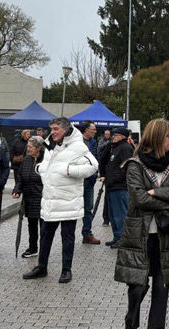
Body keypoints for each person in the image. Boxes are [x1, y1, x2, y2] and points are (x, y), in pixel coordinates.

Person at [114, 119, 169, 329]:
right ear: (157, 137)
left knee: (162, 286)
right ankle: (131, 317)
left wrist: (156, 192)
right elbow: (138, 199)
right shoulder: (135, 165)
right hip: (139, 234)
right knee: (138, 285)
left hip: (166, 235)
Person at [27, 118, 98, 282]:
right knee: (45, 236)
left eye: (56, 128)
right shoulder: (50, 144)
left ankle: (66, 270)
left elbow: (93, 166)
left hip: (68, 202)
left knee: (67, 238)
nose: (52, 132)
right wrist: (40, 169)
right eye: (51, 128)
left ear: (66, 129)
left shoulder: (78, 146)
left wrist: (68, 170)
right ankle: (41, 267)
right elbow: (46, 164)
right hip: (50, 200)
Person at [100, 127, 135, 247]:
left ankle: (122, 239)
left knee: (120, 215)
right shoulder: (115, 147)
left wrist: (113, 180)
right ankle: (116, 236)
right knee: (113, 216)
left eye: (116, 135)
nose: (113, 137)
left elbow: (126, 168)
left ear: (122, 136)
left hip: (120, 187)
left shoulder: (125, 148)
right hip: (112, 187)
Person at [13, 136, 46, 260]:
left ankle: (44, 248)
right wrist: (17, 189)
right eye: (28, 146)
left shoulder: (46, 160)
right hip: (29, 198)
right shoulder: (26, 160)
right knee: (31, 225)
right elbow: (20, 177)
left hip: (43, 198)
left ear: (39, 148)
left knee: (44, 227)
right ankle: (33, 248)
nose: (28, 149)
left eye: (31, 147)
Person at [79, 121, 102, 245]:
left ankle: (87, 234)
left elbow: (96, 158)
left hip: (90, 180)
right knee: (74, 209)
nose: (95, 131)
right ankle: (68, 235)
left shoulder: (94, 142)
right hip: (77, 181)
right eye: (93, 129)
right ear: (86, 130)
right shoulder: (77, 142)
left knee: (88, 208)